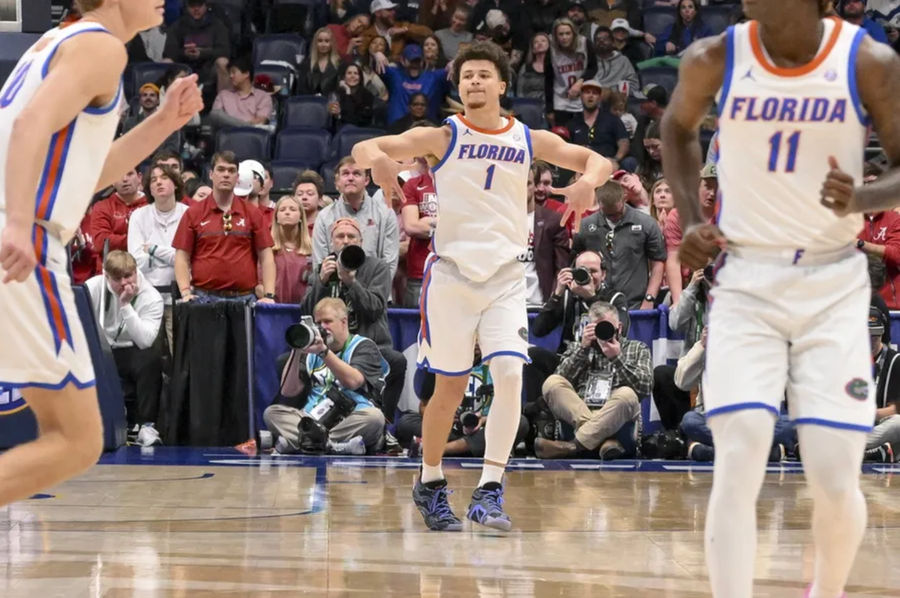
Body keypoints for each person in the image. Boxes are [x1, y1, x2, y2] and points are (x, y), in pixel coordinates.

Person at [659, 0, 900, 596]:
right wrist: (691, 219)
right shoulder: (715, 56)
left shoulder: (867, 60)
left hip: (833, 282)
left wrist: (863, 199)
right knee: (737, 459)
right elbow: (676, 127)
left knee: (835, 475)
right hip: (746, 279)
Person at [352, 40, 613, 532]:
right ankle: (429, 481)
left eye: (482, 75)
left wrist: (588, 184)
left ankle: (490, 490)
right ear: (459, 84)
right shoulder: (442, 135)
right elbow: (366, 147)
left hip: (507, 277)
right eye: (466, 75)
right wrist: (379, 163)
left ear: (501, 84)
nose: (473, 81)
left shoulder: (528, 138)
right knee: (447, 390)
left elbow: (594, 159)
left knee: (511, 377)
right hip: (452, 275)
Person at [0, 0, 201, 508]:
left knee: (71, 437)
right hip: (21, 238)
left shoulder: (58, 43)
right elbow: (28, 126)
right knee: (76, 439)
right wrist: (20, 224)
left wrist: (162, 122)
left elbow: (85, 171)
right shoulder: (100, 47)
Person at [264, 298, 386, 455]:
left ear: (344, 322)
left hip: (350, 418)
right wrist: (297, 349)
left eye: (327, 321)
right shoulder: (310, 352)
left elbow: (353, 382)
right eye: (318, 322)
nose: (322, 327)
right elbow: (288, 391)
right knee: (271, 413)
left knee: (375, 418)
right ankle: (332, 445)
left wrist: (324, 352)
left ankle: (304, 442)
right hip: (312, 418)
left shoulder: (363, 346)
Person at [84, 251, 165, 447]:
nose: (124, 283)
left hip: (134, 349)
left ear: (135, 272)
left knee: (151, 357)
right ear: (106, 276)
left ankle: (147, 426)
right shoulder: (93, 287)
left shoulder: (152, 297)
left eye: (128, 276)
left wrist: (126, 306)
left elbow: (144, 340)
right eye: (117, 278)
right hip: (104, 349)